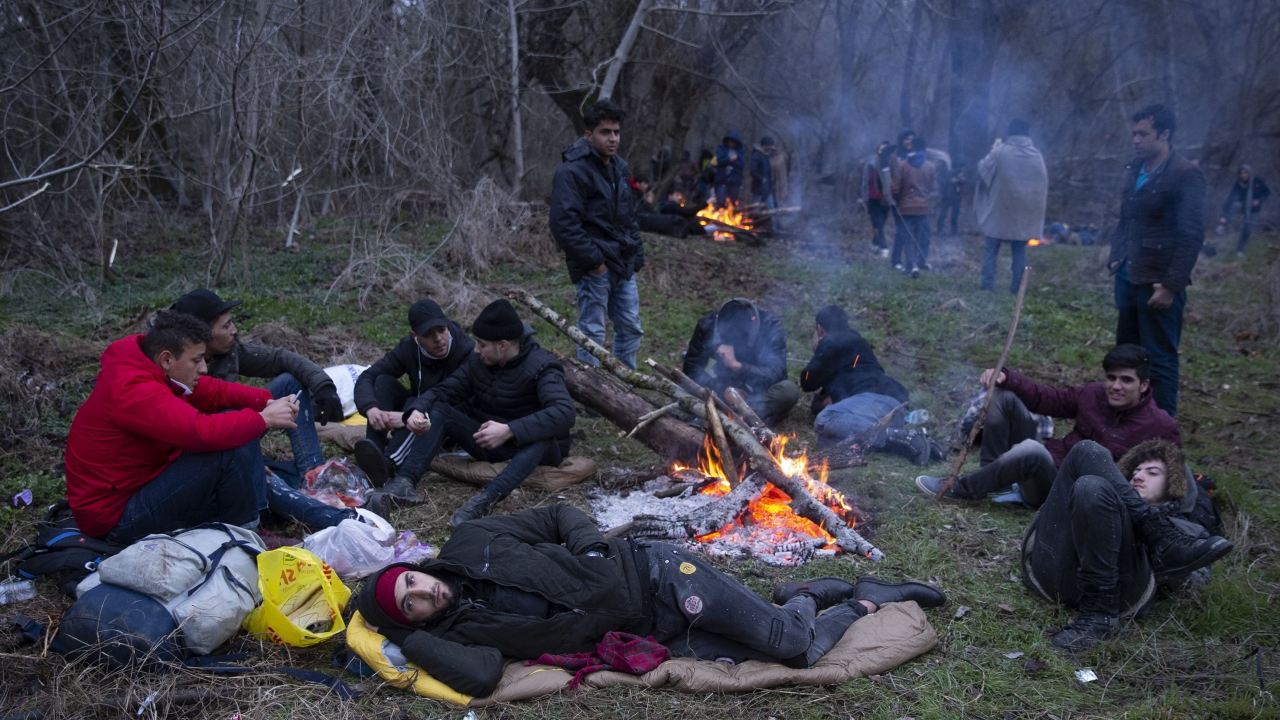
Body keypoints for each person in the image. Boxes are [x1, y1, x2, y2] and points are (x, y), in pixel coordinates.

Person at [355, 504, 947, 697]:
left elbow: (561, 513)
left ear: (415, 568)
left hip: (659, 575)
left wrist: (590, 552)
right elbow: (482, 679)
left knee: (792, 643)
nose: (425, 592)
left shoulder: (472, 540)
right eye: (412, 606)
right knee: (791, 660)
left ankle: (865, 599)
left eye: (413, 581)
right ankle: (816, 595)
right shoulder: (458, 634)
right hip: (649, 633)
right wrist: (410, 641)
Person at [64, 311, 357, 544]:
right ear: (166, 359)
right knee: (233, 443)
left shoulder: (150, 368)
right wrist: (263, 419)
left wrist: (266, 400)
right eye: (196, 360)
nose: (203, 368)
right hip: (119, 518)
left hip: (148, 482)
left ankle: (314, 492)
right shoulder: (133, 389)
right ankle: (249, 535)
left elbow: (213, 392)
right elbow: (199, 432)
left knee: (237, 426)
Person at [1021, 440, 1232, 651]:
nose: (1138, 476)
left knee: (1091, 487)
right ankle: (1158, 534)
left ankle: (1100, 616)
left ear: (1174, 484)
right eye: (1135, 472)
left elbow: (1197, 581)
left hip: (1121, 593)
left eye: (1152, 472)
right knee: (1086, 454)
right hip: (1050, 570)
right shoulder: (1102, 496)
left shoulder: (1187, 528)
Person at [383, 299, 576, 527]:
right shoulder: (478, 362)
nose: (475, 349)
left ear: (503, 345)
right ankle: (405, 482)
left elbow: (564, 412)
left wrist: (509, 430)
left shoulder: (542, 366)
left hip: (535, 450)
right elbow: (446, 391)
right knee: (440, 409)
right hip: (490, 442)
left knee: (543, 438)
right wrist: (416, 410)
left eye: (482, 344)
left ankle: (485, 500)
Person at [915, 344, 1181, 507]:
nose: (1116, 386)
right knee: (1002, 395)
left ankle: (961, 489)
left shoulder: (1160, 427)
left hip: (1071, 496)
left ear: (1144, 385)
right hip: (1052, 465)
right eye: (1111, 378)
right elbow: (1046, 398)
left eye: (1126, 380)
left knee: (1032, 450)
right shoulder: (1092, 394)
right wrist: (1007, 377)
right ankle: (995, 477)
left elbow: (1172, 476)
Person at [172, 289, 343, 476]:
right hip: (201, 449)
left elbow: (278, 358)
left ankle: (314, 474)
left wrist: (323, 386)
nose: (234, 330)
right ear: (202, 333)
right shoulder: (174, 364)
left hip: (240, 428)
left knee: (290, 382)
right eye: (226, 326)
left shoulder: (227, 351)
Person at [1107, 104, 1205, 417]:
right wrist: (1115, 256)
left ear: (1164, 134)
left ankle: (1161, 434)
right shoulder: (1134, 168)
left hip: (1158, 282)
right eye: (1134, 133)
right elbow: (1126, 219)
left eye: (1143, 133)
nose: (1136, 139)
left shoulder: (1185, 174)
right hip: (1128, 276)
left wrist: (1172, 285)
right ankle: (1128, 423)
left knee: (1160, 360)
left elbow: (1191, 235)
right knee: (1126, 357)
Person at [550, 100, 645, 371]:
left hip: (623, 263)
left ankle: (627, 388)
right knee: (593, 334)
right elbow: (563, 225)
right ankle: (592, 394)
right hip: (595, 267)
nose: (613, 138)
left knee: (631, 329)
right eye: (605, 132)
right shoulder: (572, 171)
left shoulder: (619, 168)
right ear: (588, 135)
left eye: (616, 131)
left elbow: (628, 217)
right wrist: (595, 264)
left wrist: (636, 255)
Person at [350, 299, 475, 502]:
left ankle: (388, 463)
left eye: (441, 330)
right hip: (417, 409)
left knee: (417, 405)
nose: (438, 339)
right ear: (415, 337)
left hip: (446, 420)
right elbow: (368, 376)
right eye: (428, 335)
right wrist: (370, 408)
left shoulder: (467, 351)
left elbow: (469, 404)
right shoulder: (409, 348)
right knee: (383, 381)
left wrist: (409, 415)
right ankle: (372, 451)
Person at [800, 306, 940, 465]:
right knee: (827, 439)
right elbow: (826, 394)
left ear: (820, 329)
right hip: (893, 411)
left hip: (873, 402)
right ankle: (911, 443)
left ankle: (904, 437)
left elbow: (807, 381)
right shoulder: (856, 343)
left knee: (826, 419)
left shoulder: (831, 341)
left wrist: (818, 347)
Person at [682, 298, 801, 426]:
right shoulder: (707, 325)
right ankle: (744, 416)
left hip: (758, 391)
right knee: (687, 387)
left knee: (789, 391)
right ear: (717, 318)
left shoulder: (771, 327)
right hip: (723, 388)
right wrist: (722, 390)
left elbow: (777, 373)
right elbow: (691, 368)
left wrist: (737, 366)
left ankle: (725, 414)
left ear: (753, 321)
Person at [974, 119, 1048, 293]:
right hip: (1025, 211)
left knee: (991, 246)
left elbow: (982, 170)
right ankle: (1017, 286)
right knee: (1019, 249)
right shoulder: (1037, 155)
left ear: (1010, 133)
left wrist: (992, 150)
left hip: (1000, 209)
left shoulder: (1000, 152)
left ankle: (987, 285)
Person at [892, 135, 937, 278]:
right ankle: (921, 261)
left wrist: (898, 200)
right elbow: (931, 186)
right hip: (922, 207)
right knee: (925, 236)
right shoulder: (930, 165)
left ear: (913, 147)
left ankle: (911, 266)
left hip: (906, 207)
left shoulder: (903, 165)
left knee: (908, 237)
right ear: (924, 148)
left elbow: (895, 188)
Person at [1218, 164, 1270, 257]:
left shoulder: (1257, 181)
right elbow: (1230, 198)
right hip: (1242, 206)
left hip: (1254, 210)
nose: (1243, 175)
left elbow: (1266, 192)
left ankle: (1240, 250)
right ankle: (1223, 225)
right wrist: (1223, 215)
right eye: (1241, 173)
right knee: (1235, 205)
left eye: (1245, 173)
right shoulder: (1238, 184)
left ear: (1249, 173)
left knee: (1248, 229)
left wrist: (1259, 201)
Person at [861, 142, 893, 257]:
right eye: (880, 149)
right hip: (873, 198)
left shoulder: (892, 163)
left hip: (886, 199)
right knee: (877, 224)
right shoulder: (871, 162)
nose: (882, 151)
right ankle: (883, 247)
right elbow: (865, 181)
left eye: (885, 149)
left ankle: (875, 242)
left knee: (880, 224)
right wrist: (864, 196)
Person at [714, 131, 746, 208]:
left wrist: (730, 162)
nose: (732, 143)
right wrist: (730, 159)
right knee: (720, 201)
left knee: (732, 202)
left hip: (735, 181)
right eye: (730, 141)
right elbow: (719, 160)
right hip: (722, 179)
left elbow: (741, 164)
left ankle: (730, 218)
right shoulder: (721, 148)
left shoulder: (741, 151)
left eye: (734, 142)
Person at [936, 161, 966, 236]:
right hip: (946, 196)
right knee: (942, 214)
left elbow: (964, 181)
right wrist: (950, 181)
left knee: (954, 216)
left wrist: (961, 180)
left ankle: (954, 232)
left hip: (956, 196)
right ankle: (939, 231)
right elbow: (940, 180)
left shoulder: (959, 170)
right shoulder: (944, 169)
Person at [749, 137, 776, 207]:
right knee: (756, 210)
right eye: (770, 146)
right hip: (758, 189)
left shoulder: (767, 155)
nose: (772, 148)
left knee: (771, 209)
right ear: (765, 146)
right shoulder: (756, 155)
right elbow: (753, 171)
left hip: (767, 189)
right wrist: (762, 179)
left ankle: (772, 218)